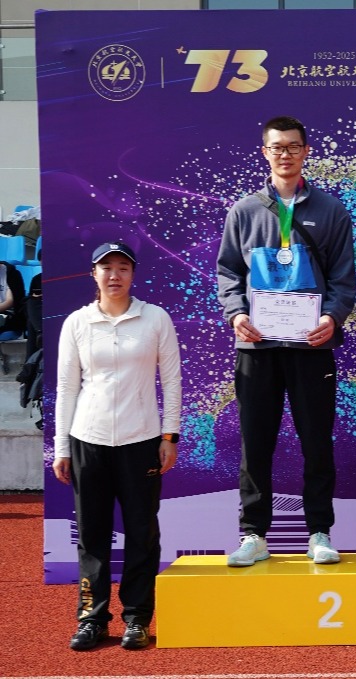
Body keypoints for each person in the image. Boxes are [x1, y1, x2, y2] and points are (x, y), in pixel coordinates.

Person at [216, 115, 356, 567]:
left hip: (311, 347)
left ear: (306, 151)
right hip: (257, 347)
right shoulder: (244, 211)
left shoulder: (331, 210)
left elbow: (343, 278)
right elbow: (227, 271)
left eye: (293, 146)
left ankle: (319, 531)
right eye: (277, 147)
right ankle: (254, 534)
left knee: (317, 441)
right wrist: (237, 313)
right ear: (265, 153)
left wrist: (332, 317)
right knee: (255, 442)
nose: (285, 154)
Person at [53, 242, 181, 651]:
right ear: (93, 274)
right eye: (105, 267)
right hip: (87, 440)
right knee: (92, 534)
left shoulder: (155, 318)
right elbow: (67, 388)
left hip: (141, 441)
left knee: (142, 533)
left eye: (122, 267)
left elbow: (172, 380)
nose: (114, 275)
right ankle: (91, 619)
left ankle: (137, 618)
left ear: (133, 274)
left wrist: (170, 436)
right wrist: (61, 447)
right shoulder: (77, 322)